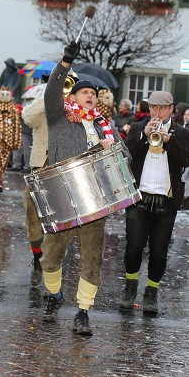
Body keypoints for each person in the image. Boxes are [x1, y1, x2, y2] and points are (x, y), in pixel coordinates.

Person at [38, 46, 122, 336]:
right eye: (85, 92)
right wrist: (65, 63)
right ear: (72, 96)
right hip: (64, 194)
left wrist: (112, 150)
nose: (91, 96)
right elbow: (51, 92)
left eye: (95, 94)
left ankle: (83, 311)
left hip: (96, 200)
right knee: (51, 255)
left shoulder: (106, 126)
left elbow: (124, 162)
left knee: (92, 257)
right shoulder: (59, 118)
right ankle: (54, 295)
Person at [119, 91, 189, 316]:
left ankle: (151, 292)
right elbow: (126, 152)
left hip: (166, 197)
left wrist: (169, 140)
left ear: (171, 109)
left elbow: (187, 159)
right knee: (133, 246)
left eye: (161, 109)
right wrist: (144, 134)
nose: (156, 112)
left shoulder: (182, 133)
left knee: (159, 251)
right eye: (153, 108)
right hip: (139, 195)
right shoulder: (137, 127)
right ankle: (130, 287)